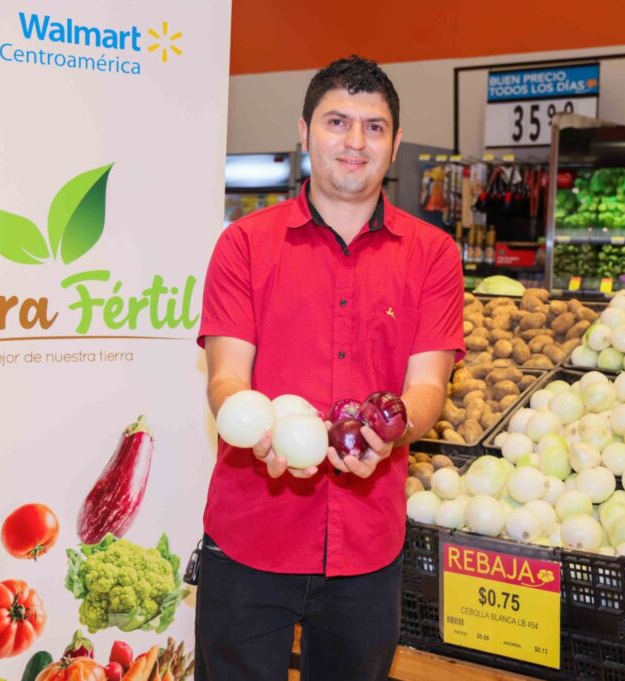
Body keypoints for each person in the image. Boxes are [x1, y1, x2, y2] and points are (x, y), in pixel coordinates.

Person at [196, 55, 465, 681]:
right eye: (337, 121)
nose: (354, 141)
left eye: (374, 127)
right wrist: (254, 425)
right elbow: (225, 378)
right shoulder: (244, 244)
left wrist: (391, 432)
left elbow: (426, 387)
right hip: (250, 535)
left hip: (367, 547)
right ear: (305, 131)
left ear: (395, 143)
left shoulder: (433, 256)